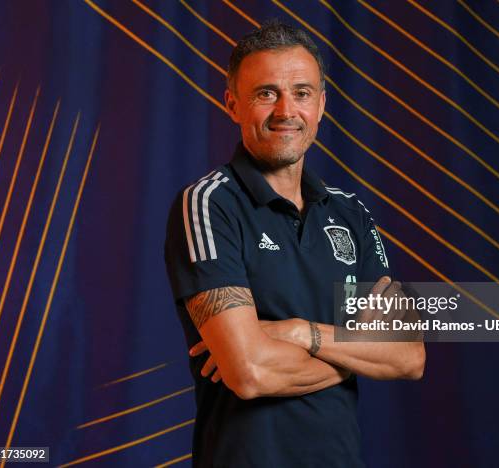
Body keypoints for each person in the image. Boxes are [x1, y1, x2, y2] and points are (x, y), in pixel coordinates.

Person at [164, 20, 425, 468]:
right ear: (232, 104)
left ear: (321, 105)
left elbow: (408, 355)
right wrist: (356, 354)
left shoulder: (350, 212)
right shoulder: (208, 203)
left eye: (302, 93)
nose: (287, 110)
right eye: (266, 93)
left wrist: (300, 331)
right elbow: (250, 372)